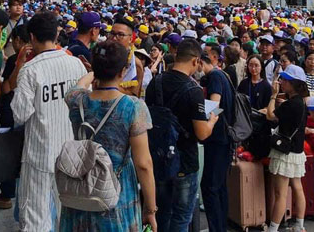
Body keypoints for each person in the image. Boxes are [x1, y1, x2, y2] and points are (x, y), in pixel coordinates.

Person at [60, 41, 156, 231]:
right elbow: (143, 164)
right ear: (123, 71)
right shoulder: (133, 107)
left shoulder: (76, 100)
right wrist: (150, 209)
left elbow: (79, 85)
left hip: (80, 186)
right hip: (117, 190)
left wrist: (92, 73)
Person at [11, 11, 87, 232]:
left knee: (36, 218)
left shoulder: (30, 70)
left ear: (32, 37)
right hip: (71, 153)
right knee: (68, 215)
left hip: (40, 155)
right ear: (56, 34)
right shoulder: (76, 65)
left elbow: (19, 114)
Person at [144, 38, 218, 232]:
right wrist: (212, 121)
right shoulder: (193, 91)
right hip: (184, 160)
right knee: (181, 217)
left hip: (158, 158)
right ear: (195, 61)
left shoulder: (155, 83)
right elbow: (202, 134)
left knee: (162, 213)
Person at [0, 24, 32, 210]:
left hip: (12, 112)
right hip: (31, 113)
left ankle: (6, 195)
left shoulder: (17, 59)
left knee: (9, 154)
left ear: (19, 41)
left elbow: (6, 88)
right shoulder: (40, 58)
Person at [265, 64, 308, 232]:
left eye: (285, 80)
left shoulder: (290, 104)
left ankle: (273, 229)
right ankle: (299, 226)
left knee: (280, 194)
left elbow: (270, 116)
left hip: (285, 152)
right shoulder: (301, 103)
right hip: (297, 151)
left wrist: (273, 96)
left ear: (293, 84)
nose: (281, 82)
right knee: (297, 187)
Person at [199, 45, 235, 232]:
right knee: (219, 186)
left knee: (210, 186)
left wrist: (205, 121)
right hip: (224, 138)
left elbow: (214, 105)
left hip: (218, 138)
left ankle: (216, 228)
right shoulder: (222, 75)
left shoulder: (214, 77)